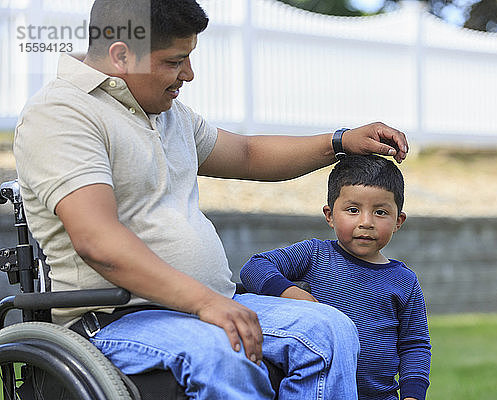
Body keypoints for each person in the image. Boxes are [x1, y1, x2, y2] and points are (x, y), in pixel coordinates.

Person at [13, 0, 410, 399]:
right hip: (116, 320)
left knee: (329, 329)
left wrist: (339, 141)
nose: (188, 73)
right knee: (225, 352)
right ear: (121, 56)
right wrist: (205, 303)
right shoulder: (62, 114)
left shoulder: (167, 114)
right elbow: (97, 241)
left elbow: (248, 154)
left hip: (205, 304)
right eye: (175, 61)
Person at [240, 155, 431, 400]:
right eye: (353, 210)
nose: (366, 222)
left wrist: (413, 395)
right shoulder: (314, 254)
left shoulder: (404, 281)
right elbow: (255, 267)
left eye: (380, 212)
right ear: (330, 215)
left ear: (398, 221)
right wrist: (291, 293)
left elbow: (414, 345)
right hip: (318, 391)